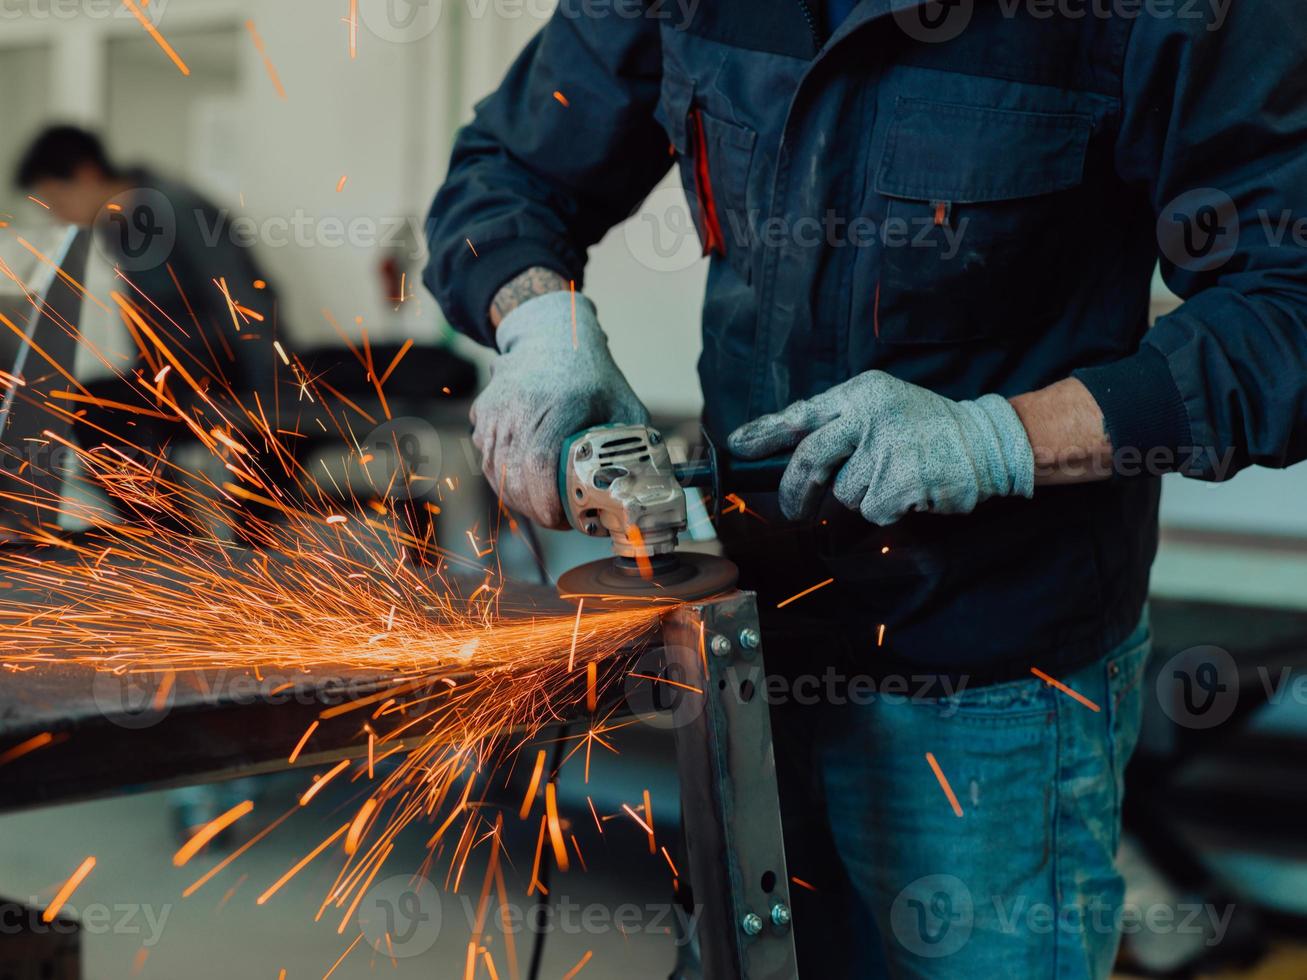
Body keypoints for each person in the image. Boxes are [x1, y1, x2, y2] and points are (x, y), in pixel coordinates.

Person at [424, 2, 1307, 975]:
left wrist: (994, 441)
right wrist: (539, 323)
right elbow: (504, 176)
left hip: (990, 681)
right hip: (744, 651)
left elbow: (1286, 313)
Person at [14, 125, 280, 455]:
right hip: (173, 371)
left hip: (224, 369)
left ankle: (163, 507)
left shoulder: (176, 208)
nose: (59, 217)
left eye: (56, 201)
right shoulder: (117, 227)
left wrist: (269, 402)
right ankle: (164, 506)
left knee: (95, 410)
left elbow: (243, 300)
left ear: (86, 174)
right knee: (92, 407)